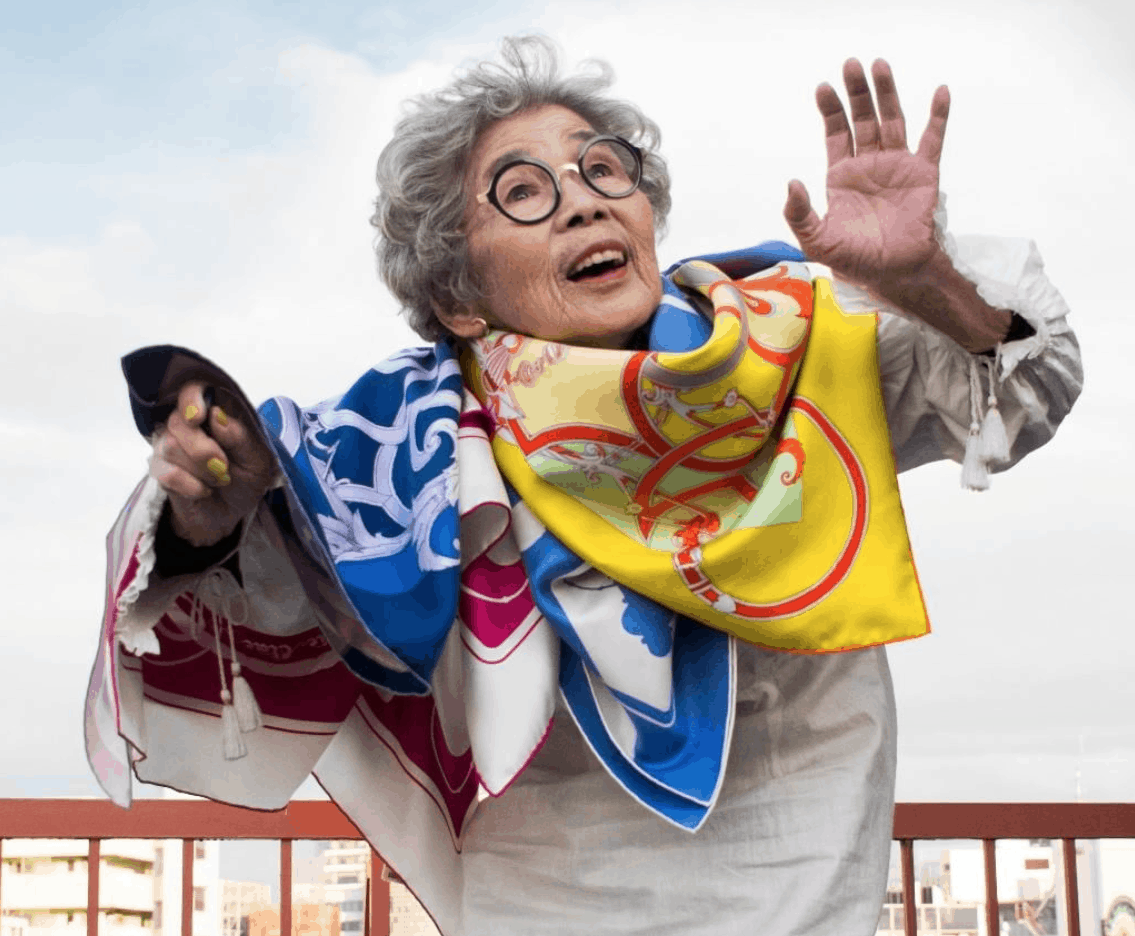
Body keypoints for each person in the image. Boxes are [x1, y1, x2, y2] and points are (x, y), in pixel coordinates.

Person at [86, 37, 1081, 936]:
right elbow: (271, 578)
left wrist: (927, 285)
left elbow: (1017, 389)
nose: (583, 198)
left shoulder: (791, 347)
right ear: (455, 297)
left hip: (801, 892)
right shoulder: (401, 445)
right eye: (521, 190)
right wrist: (209, 516)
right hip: (542, 902)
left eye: (604, 168)